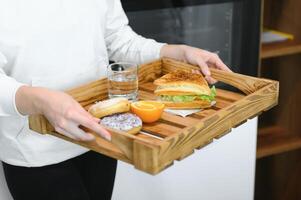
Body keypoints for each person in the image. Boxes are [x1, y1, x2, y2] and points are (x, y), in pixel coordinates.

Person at [0, 0, 231, 200]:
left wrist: (176, 52)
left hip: (100, 134)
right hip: (34, 149)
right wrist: (41, 100)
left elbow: (119, 40)